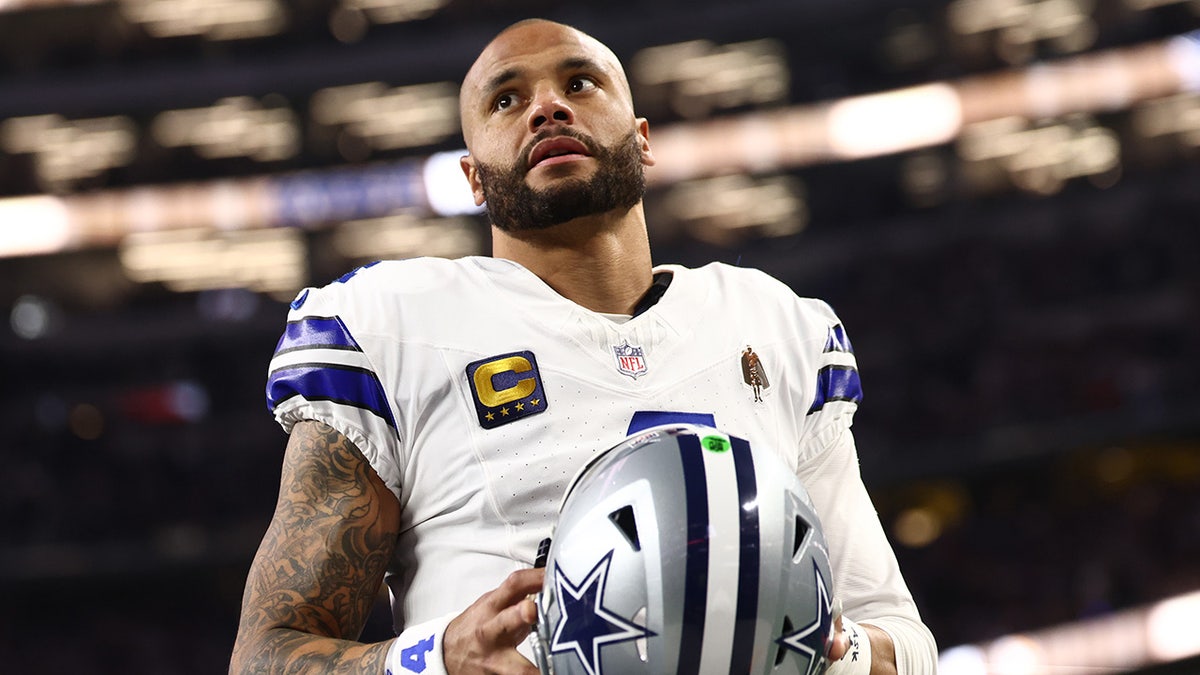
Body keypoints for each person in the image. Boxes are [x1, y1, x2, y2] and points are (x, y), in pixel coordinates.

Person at [230, 18, 938, 675]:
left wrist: (833, 647)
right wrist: (436, 658)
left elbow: (901, 639)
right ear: (474, 178)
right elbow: (265, 654)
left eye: (578, 83)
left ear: (642, 136)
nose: (547, 108)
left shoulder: (778, 325)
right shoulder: (388, 326)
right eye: (506, 100)